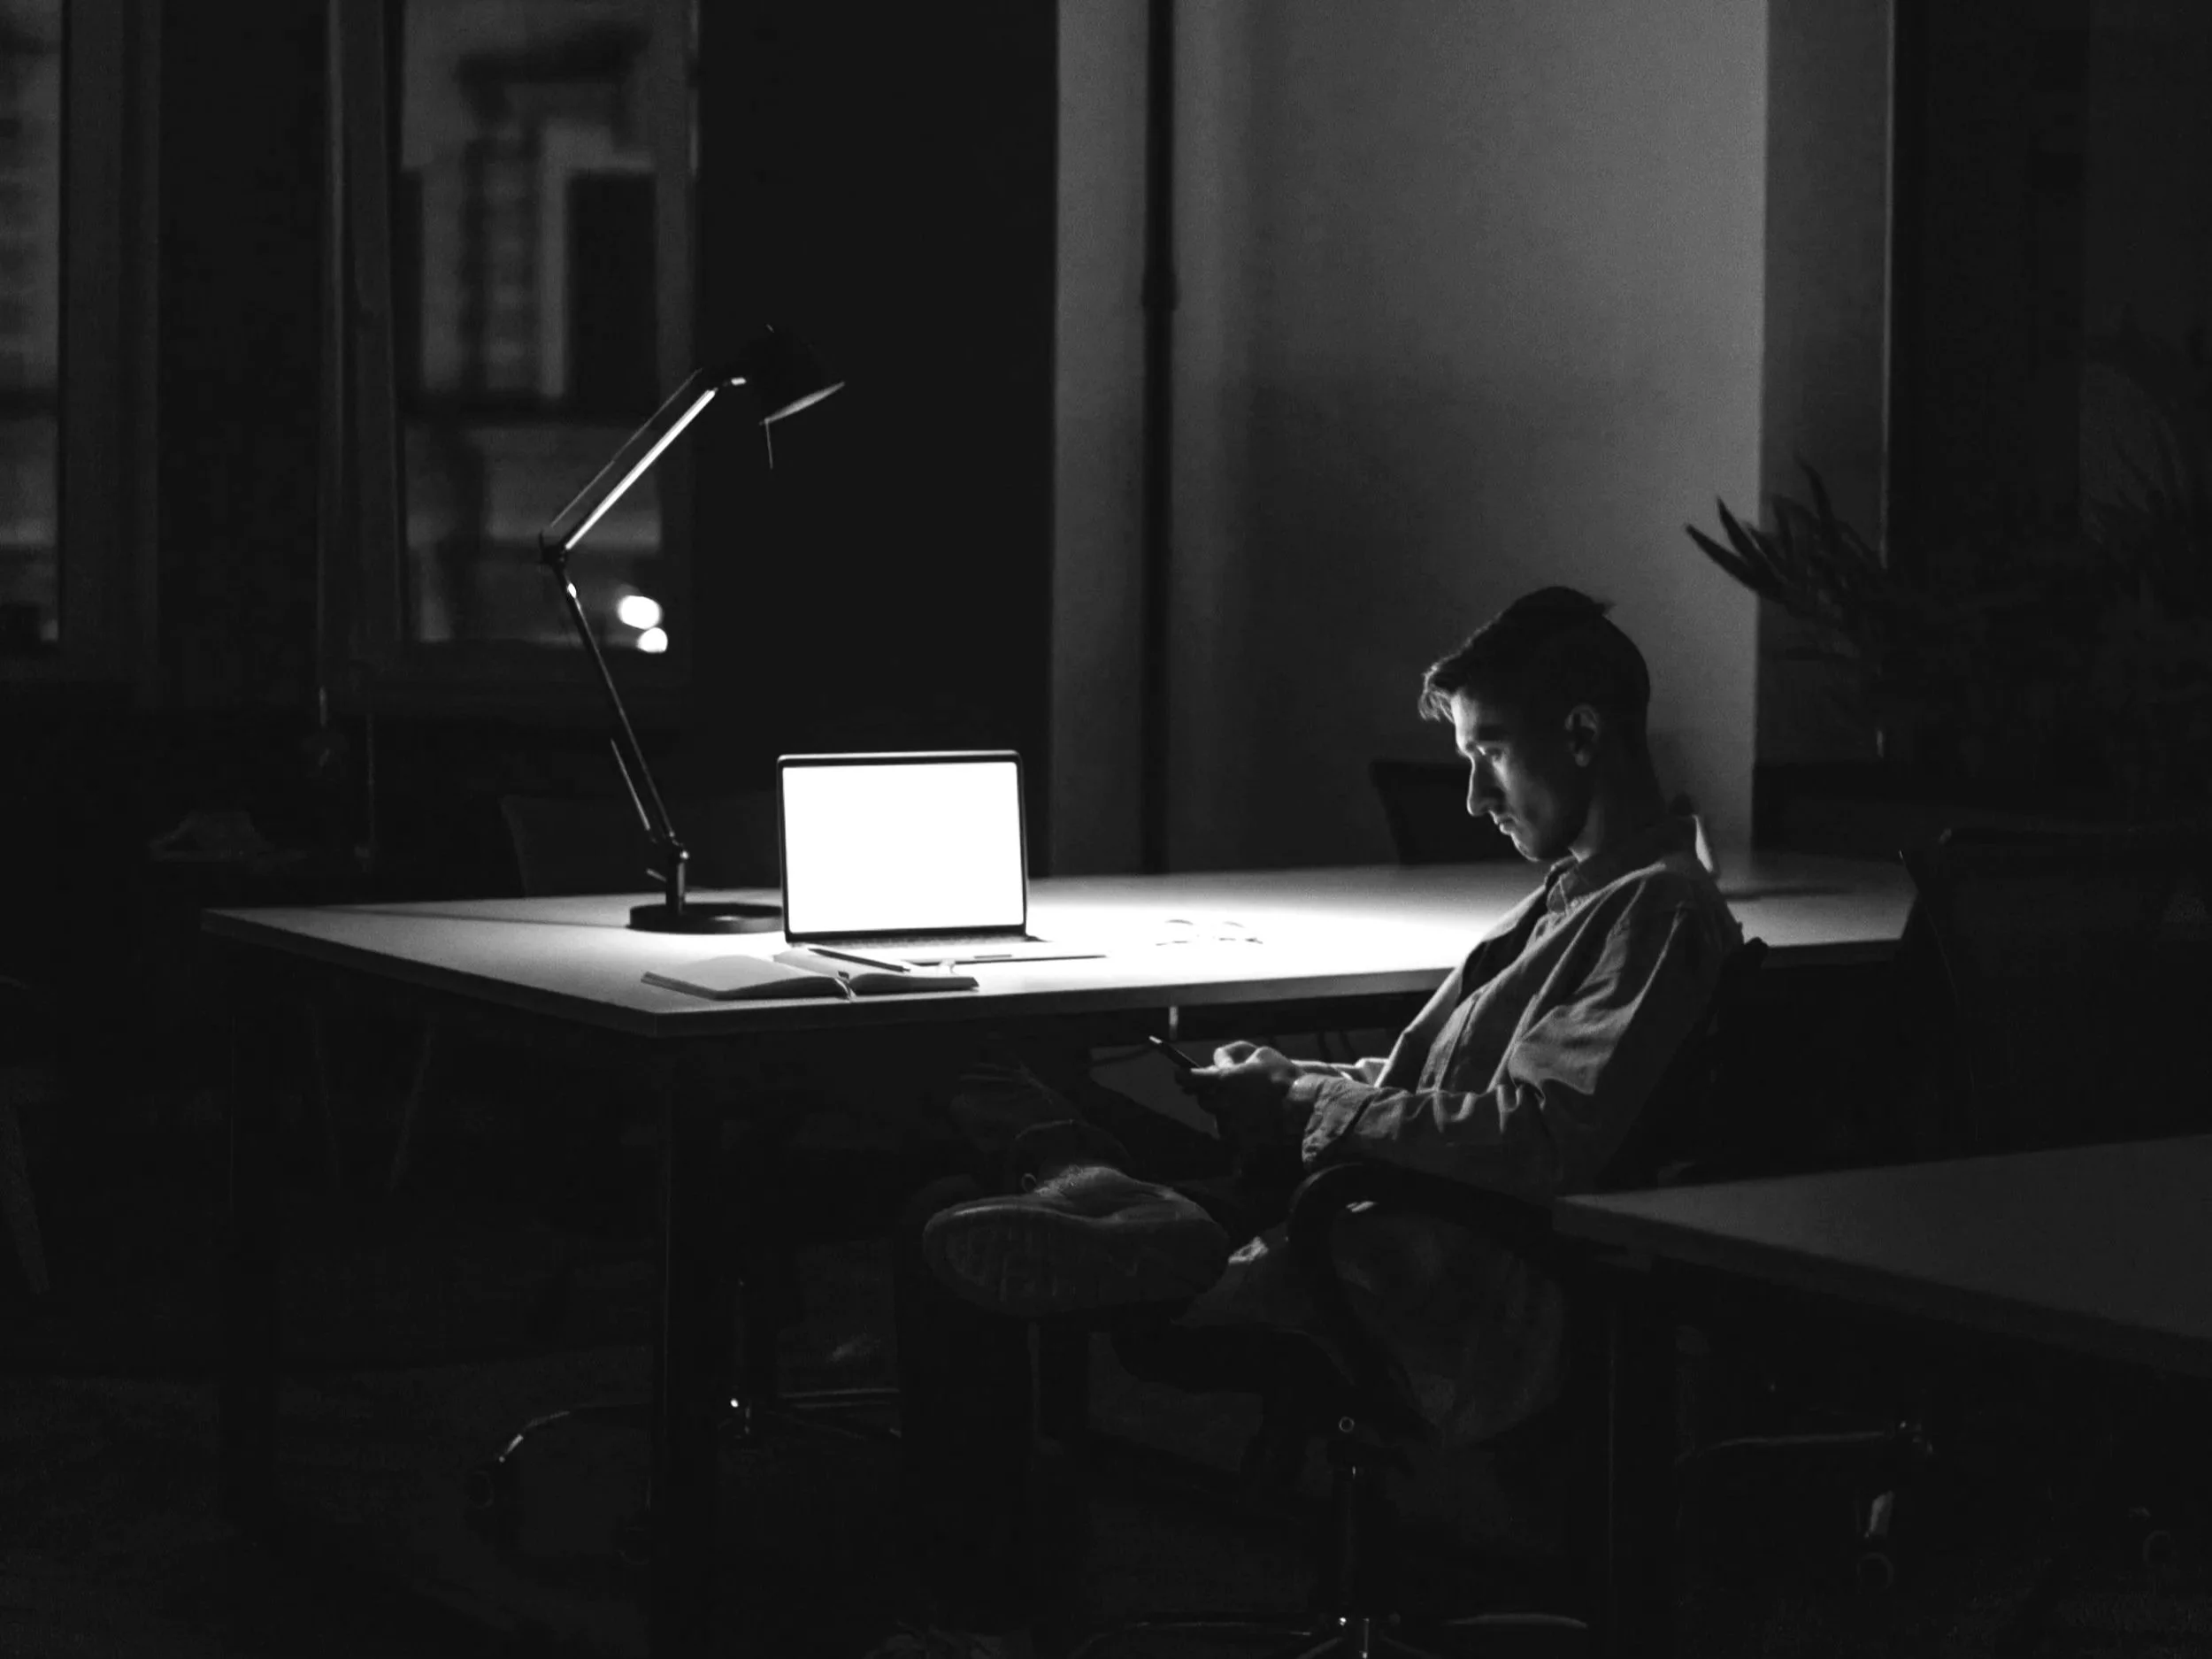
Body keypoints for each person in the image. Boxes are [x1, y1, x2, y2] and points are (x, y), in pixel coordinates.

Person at [864, 587, 1742, 1659]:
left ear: (1581, 734)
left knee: (942, 1209)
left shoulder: (1654, 908)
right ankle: (1094, 1192)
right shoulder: (1576, 894)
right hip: (1358, 1191)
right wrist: (1300, 1080)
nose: (1473, 798)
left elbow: (1538, 1138)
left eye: (1490, 752)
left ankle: (979, 1604)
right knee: (988, 1069)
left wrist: (1316, 1103)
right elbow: (1470, 1087)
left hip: (1392, 1246)